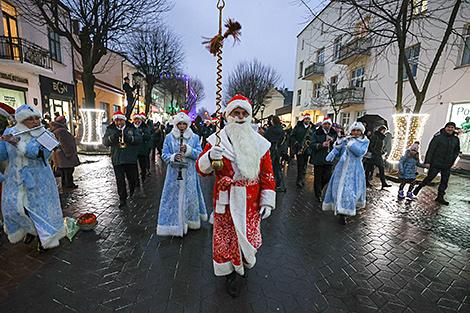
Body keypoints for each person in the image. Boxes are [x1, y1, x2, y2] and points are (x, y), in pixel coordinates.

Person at [196, 94, 276, 297]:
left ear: (249, 116)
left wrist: (267, 199)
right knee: (227, 238)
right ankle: (231, 274)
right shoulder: (216, 140)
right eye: (235, 113)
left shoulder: (260, 143)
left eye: (243, 113)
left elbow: (267, 173)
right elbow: (202, 170)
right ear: (227, 115)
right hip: (226, 199)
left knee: (246, 237)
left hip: (251, 200)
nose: (240, 117)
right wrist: (209, 156)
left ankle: (243, 264)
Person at [0, 104, 65, 250]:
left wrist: (18, 143)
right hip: (15, 179)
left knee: (40, 211)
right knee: (14, 209)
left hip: (39, 180)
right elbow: (3, 155)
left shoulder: (46, 134)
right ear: (21, 120)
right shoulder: (10, 131)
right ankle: (31, 230)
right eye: (30, 119)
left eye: (37, 118)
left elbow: (40, 154)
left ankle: (45, 239)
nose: (35, 122)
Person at [156, 111, 207, 236]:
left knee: (190, 197)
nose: (182, 126)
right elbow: (164, 154)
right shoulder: (169, 137)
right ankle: (173, 224)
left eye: (184, 124)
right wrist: (173, 157)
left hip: (189, 173)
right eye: (180, 124)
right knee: (173, 198)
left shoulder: (194, 137)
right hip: (173, 175)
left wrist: (189, 151)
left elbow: (199, 154)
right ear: (176, 124)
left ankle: (190, 221)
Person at [323, 122, 369, 225]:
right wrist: (336, 147)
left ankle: (345, 213)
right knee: (337, 189)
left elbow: (360, 152)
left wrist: (349, 143)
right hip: (341, 168)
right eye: (353, 130)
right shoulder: (347, 139)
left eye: (358, 130)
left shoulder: (364, 141)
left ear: (361, 131)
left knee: (349, 192)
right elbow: (339, 151)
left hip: (355, 170)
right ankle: (340, 211)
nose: (355, 132)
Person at [413, 122, 461, 205]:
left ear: (454, 129)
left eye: (452, 127)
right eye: (448, 127)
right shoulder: (438, 137)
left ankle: (440, 197)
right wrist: (427, 162)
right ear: (445, 127)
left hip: (447, 164)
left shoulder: (455, 139)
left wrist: (453, 159)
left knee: (444, 181)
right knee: (430, 178)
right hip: (436, 162)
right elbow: (431, 149)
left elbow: (456, 151)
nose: (450, 129)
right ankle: (420, 186)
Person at [103, 111, 142, 208]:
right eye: (116, 121)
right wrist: (113, 137)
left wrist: (130, 138)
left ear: (124, 120)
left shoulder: (131, 128)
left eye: (120, 120)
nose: (118, 123)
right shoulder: (110, 129)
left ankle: (132, 191)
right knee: (120, 181)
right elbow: (105, 142)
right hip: (117, 159)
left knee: (132, 179)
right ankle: (122, 199)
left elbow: (139, 139)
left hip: (130, 159)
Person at [309, 118, 338, 202]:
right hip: (319, 159)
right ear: (322, 125)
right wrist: (321, 145)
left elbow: (338, 144)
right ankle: (318, 194)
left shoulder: (334, 133)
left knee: (327, 176)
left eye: (328, 124)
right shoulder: (317, 133)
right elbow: (312, 144)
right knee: (318, 177)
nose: (327, 126)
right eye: (325, 124)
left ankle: (319, 188)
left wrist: (333, 142)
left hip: (329, 159)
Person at [50, 116, 80, 189]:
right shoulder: (61, 131)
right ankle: (68, 184)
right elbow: (65, 143)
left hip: (60, 155)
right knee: (68, 170)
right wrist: (68, 153)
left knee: (64, 171)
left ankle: (65, 184)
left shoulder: (56, 130)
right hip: (64, 155)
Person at [264, 115, 287, 192]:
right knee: (278, 168)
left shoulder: (269, 130)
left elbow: (265, 139)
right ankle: (278, 184)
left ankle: (271, 183)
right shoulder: (281, 130)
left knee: (270, 167)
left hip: (272, 150)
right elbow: (284, 141)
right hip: (279, 151)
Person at [290, 114, 313, 188]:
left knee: (305, 165)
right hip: (299, 149)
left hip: (307, 149)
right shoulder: (298, 127)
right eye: (306, 119)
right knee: (300, 165)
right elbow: (292, 136)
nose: (307, 120)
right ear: (304, 119)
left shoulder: (312, 128)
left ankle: (302, 178)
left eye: (308, 119)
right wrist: (296, 143)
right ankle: (299, 180)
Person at [132, 113, 151, 184]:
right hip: (133, 150)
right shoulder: (131, 127)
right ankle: (136, 180)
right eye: (135, 119)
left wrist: (142, 134)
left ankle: (143, 176)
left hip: (142, 150)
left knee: (142, 165)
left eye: (138, 119)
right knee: (134, 166)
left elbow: (148, 136)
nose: (137, 121)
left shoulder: (144, 127)